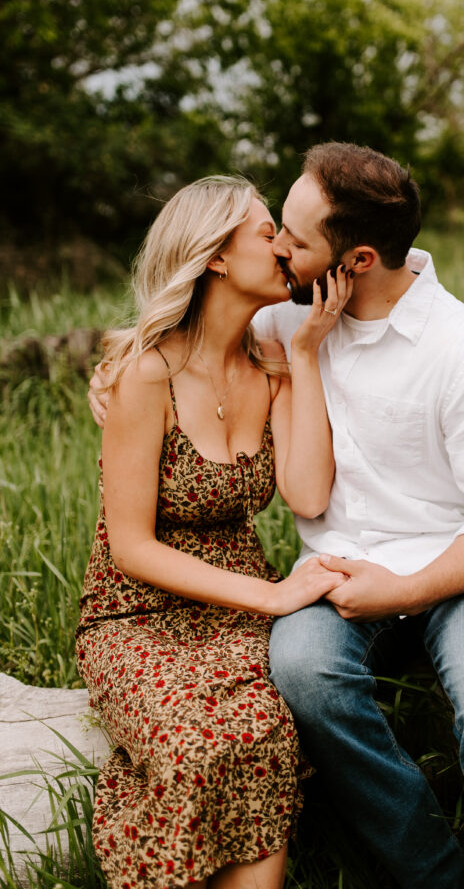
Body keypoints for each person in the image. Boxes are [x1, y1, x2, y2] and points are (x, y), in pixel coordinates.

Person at [90, 146, 464, 889]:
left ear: (354, 258)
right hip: (338, 564)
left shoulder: (462, 354)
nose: (282, 249)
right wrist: (112, 370)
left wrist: (408, 589)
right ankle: (435, 876)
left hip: (458, 567)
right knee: (302, 672)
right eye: (273, 230)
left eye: (293, 236)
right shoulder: (288, 317)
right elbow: (185, 344)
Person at [77, 174, 353, 889]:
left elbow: (308, 491)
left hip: (232, 610)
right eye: (269, 234)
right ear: (218, 259)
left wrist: (307, 356)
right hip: (136, 612)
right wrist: (271, 599)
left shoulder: (272, 365)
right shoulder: (147, 376)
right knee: (193, 744)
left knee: (264, 734)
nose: (287, 249)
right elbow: (132, 548)